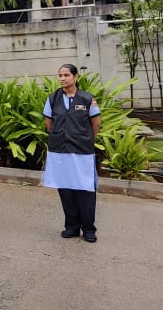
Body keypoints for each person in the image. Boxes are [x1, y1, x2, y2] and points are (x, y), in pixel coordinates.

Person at [42, 64, 101, 243]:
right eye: (60, 75)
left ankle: (88, 229)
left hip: (82, 152)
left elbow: (96, 124)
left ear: (75, 77)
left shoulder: (87, 99)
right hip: (60, 151)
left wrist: (86, 139)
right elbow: (49, 123)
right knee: (65, 189)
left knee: (85, 190)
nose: (62, 78)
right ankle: (72, 226)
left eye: (66, 75)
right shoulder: (52, 99)